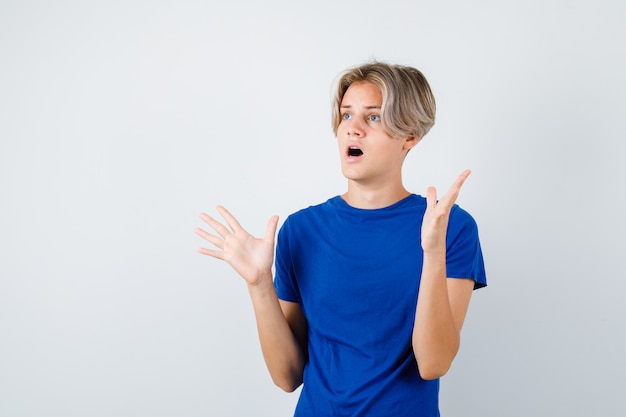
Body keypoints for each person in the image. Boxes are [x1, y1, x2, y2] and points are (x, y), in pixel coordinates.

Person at [195, 61, 487, 416]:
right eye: (346, 115)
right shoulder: (301, 230)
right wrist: (259, 285)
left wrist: (432, 253)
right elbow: (286, 376)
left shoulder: (449, 227)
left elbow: (433, 364)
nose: (354, 129)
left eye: (374, 117)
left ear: (410, 135)